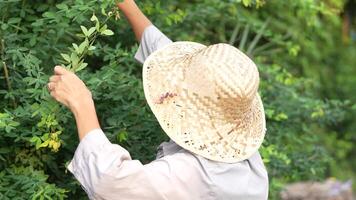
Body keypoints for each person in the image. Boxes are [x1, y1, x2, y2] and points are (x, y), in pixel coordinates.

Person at [47, 0, 269, 199]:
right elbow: (167, 56)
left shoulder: (199, 175)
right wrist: (127, 5)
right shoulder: (233, 136)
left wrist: (82, 103)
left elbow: (110, 181)